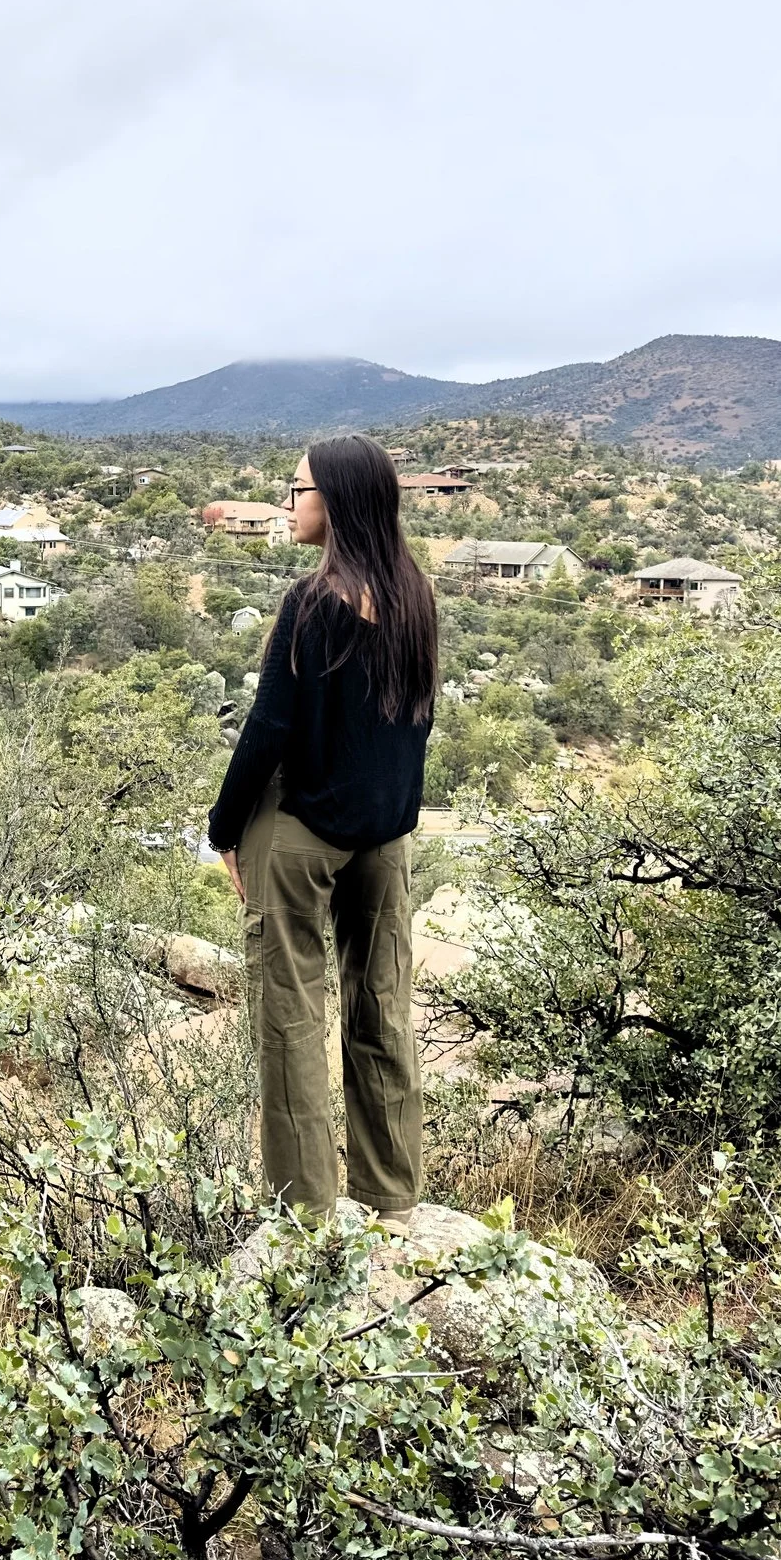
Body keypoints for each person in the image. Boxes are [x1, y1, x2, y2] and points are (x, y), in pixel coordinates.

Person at [209, 436, 438, 1226]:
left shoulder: (312, 602)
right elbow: (415, 724)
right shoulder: (417, 597)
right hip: (386, 835)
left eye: (296, 488)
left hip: (304, 829)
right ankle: (392, 1194)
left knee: (292, 1015)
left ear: (333, 501)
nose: (287, 502)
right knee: (381, 1005)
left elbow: (269, 726)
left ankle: (305, 1212)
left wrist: (223, 827)